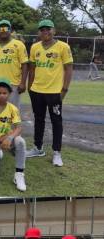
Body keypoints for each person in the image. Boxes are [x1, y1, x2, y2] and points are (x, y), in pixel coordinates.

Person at [26, 20, 73, 167]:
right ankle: (38, 148)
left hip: (54, 92)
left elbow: (69, 68)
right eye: (42, 30)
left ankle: (57, 152)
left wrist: (64, 89)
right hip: (37, 91)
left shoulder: (63, 47)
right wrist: (30, 86)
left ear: (54, 30)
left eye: (48, 29)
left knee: (56, 121)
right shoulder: (35, 47)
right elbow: (32, 69)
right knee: (38, 119)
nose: (45, 32)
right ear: (39, 32)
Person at [0, 78, 27, 192]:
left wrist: (10, 137)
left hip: (7, 137)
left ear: (10, 94)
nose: (2, 95)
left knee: (20, 141)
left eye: (5, 93)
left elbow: (18, 127)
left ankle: (19, 174)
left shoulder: (13, 108)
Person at [0, 19, 29, 109]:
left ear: (10, 30)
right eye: (1, 29)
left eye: (6, 28)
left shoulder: (19, 45)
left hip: (13, 84)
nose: (3, 31)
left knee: (12, 112)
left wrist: (23, 83)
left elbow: (25, 64)